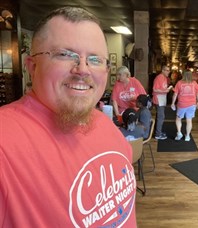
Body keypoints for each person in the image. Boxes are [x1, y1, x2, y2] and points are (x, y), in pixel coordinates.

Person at [0, 7, 137, 227]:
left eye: (95, 59)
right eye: (65, 54)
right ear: (32, 66)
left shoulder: (105, 125)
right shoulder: (5, 141)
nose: (83, 69)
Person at [171, 70, 198, 141]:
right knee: (189, 120)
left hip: (182, 104)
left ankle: (179, 133)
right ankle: (187, 136)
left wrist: (172, 103)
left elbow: (175, 94)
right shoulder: (194, 83)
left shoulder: (179, 83)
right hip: (192, 104)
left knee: (178, 119)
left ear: (183, 75)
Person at [152, 65, 173, 140]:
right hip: (158, 99)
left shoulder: (165, 78)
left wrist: (168, 89)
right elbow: (155, 89)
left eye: (169, 70)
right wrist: (166, 91)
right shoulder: (159, 77)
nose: (168, 72)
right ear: (163, 70)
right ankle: (158, 134)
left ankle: (157, 131)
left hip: (162, 98)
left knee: (159, 116)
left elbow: (162, 87)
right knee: (161, 117)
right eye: (167, 70)